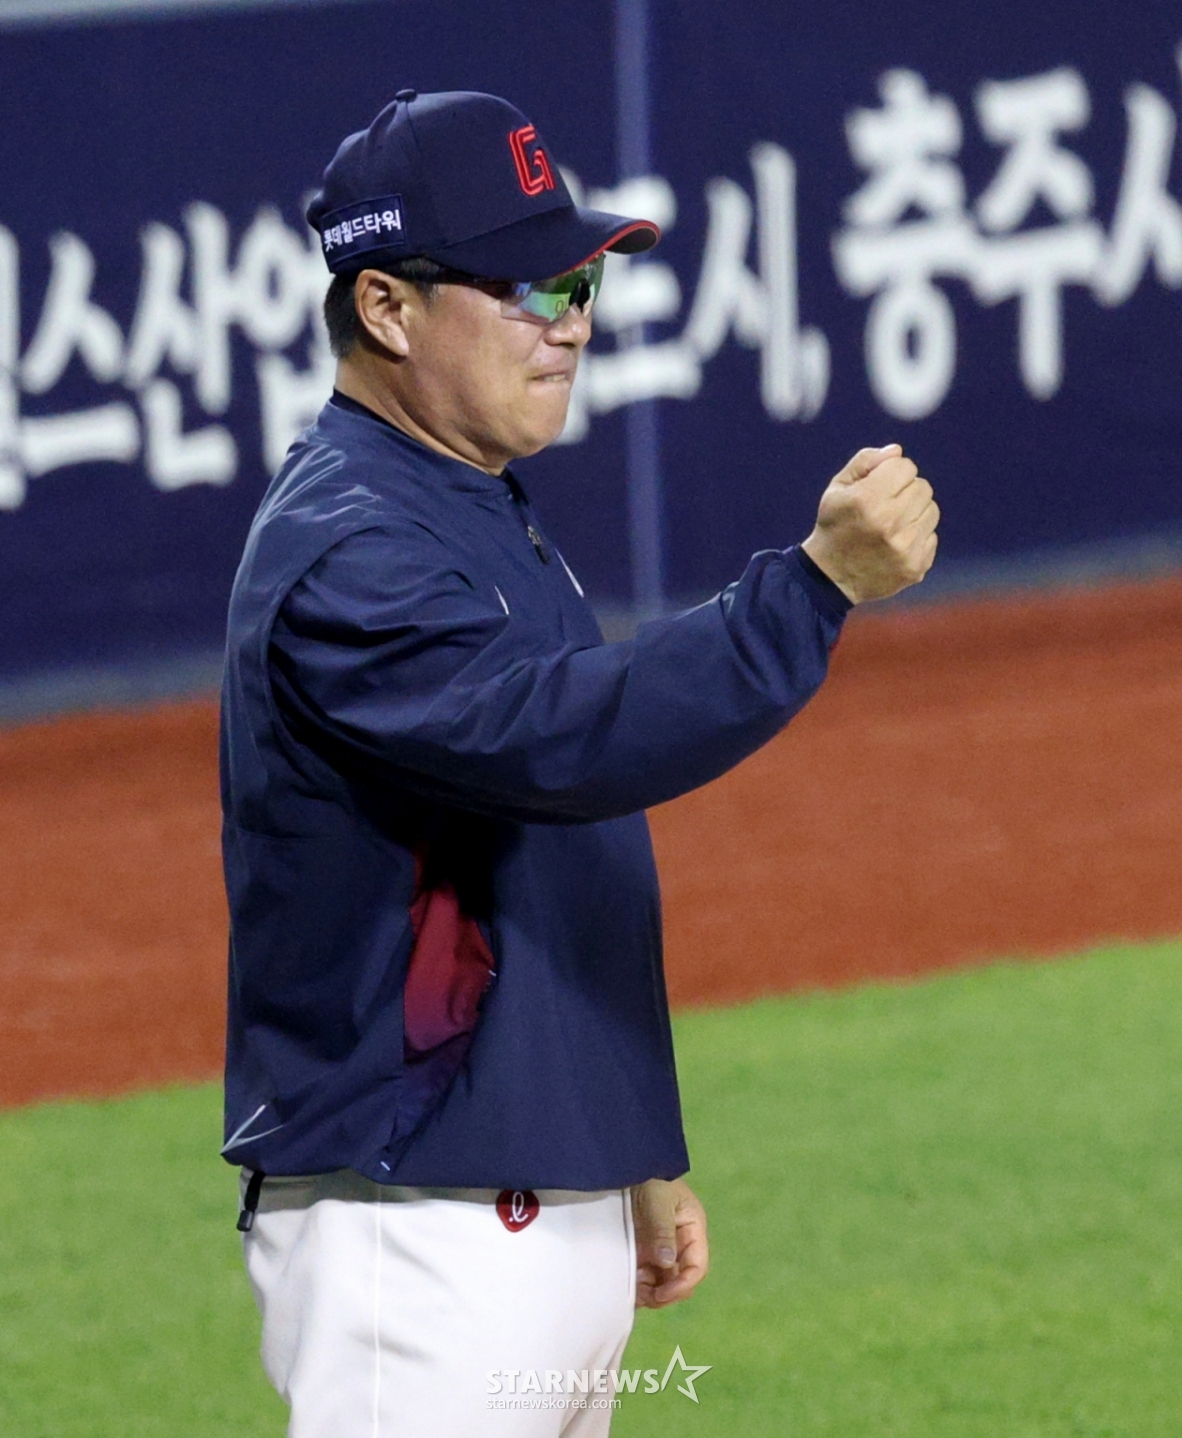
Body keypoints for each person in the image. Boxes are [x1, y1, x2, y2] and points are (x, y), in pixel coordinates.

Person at [219, 88, 939, 1438]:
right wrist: (814, 589)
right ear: (385, 308)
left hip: (526, 1192)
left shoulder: (469, 504)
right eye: (533, 279)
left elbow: (545, 855)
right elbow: (565, 739)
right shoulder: (346, 550)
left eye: (586, 273)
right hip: (416, 1228)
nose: (577, 316)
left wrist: (627, 1144)